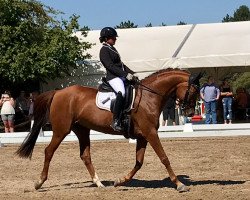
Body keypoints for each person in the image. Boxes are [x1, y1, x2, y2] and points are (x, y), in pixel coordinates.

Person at [99, 27, 137, 131]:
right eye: (113, 37)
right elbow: (110, 66)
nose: (115, 39)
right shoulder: (104, 50)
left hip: (119, 75)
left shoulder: (112, 48)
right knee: (122, 92)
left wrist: (132, 73)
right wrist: (125, 75)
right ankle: (115, 121)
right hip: (113, 77)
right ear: (106, 38)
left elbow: (121, 65)